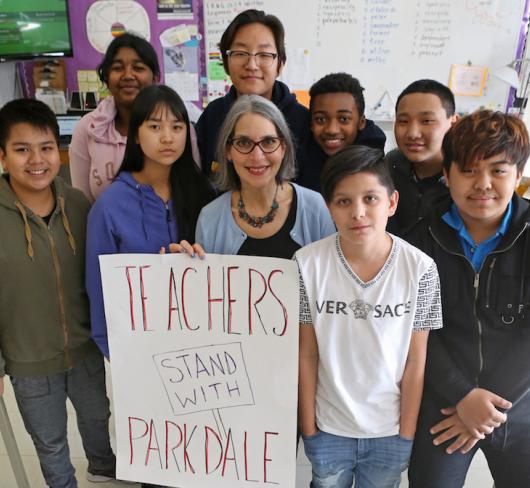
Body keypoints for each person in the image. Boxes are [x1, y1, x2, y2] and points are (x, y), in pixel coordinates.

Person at [296, 145, 443, 487]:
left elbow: (415, 360)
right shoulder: (306, 264)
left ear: (391, 202)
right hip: (328, 428)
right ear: (329, 207)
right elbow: (307, 353)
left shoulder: (421, 269)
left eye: (370, 199)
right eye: (343, 201)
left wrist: (405, 434)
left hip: (389, 431)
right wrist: (309, 429)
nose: (358, 212)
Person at [0, 99, 122, 487]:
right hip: (29, 361)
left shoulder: (79, 204)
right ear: (2, 157)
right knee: (51, 443)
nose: (37, 160)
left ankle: (103, 467)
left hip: (85, 350)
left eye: (46, 147)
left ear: (60, 150)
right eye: (22, 150)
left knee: (96, 419)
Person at [406, 110, 530, 488]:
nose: (484, 184)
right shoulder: (418, 241)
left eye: (498, 170)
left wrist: (485, 409)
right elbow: (417, 330)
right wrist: (463, 395)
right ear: (447, 174)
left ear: (519, 175)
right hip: (444, 405)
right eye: (470, 170)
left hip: (521, 406)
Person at [86, 85, 214, 360]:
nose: (167, 137)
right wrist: (119, 356)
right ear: (135, 135)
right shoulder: (109, 207)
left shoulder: (204, 195)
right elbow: (99, 292)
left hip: (202, 349)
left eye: (177, 127)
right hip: (139, 352)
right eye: (155, 127)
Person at [188, 94, 335, 258]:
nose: (257, 156)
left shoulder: (315, 209)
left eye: (269, 142)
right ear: (228, 151)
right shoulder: (210, 218)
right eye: (243, 143)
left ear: (283, 147)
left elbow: (331, 279)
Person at [69, 32, 201, 202]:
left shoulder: (178, 125)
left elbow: (192, 187)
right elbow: (81, 200)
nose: (128, 75)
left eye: (138, 68)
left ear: (155, 77)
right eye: (117, 68)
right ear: (106, 77)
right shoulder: (88, 128)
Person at [195, 9, 309, 176]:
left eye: (264, 54)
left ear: (280, 64)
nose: (252, 65)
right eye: (240, 53)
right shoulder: (213, 115)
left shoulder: (302, 121)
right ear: (226, 61)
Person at [386, 79, 458, 235]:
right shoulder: (390, 165)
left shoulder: (465, 176)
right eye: (403, 121)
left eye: (426, 121)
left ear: (453, 122)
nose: (412, 133)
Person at [296, 72, 386, 192]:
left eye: (344, 119)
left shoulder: (375, 166)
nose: (332, 130)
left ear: (361, 122)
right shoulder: (298, 157)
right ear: (311, 123)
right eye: (321, 119)